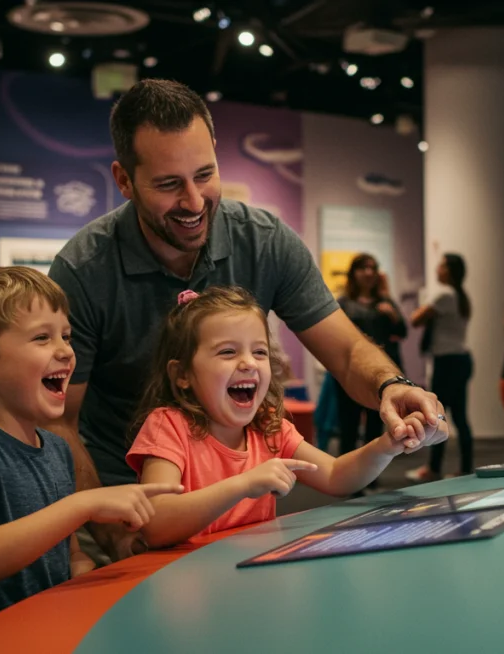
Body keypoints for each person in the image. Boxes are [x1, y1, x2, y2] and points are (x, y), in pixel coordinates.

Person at [46, 79, 444, 564]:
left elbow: (344, 352)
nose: (193, 202)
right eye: (169, 184)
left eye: (204, 174)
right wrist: (106, 531)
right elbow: (61, 421)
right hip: (124, 513)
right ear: (124, 180)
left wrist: (390, 388)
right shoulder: (84, 270)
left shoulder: (265, 241)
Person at [0, 266, 183, 653]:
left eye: (67, 336)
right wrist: (84, 504)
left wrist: (83, 569)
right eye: (42, 338)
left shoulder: (57, 449)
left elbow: (65, 547)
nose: (65, 351)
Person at [124, 286, 446, 548]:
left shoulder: (267, 427)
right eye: (227, 352)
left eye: (259, 351)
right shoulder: (168, 427)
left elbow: (335, 475)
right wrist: (242, 485)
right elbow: (156, 523)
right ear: (182, 374)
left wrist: (385, 445)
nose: (249, 363)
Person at [406, 253, 474, 481]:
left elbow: (416, 319)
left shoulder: (444, 295)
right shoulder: (460, 296)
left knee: (436, 416)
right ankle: (465, 467)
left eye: (442, 265)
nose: (438, 268)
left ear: (450, 270)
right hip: (459, 360)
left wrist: (424, 297)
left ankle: (433, 468)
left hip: (448, 363)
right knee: (460, 417)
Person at [334, 254, 407, 460]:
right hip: (348, 371)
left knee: (375, 425)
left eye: (373, 268)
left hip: (379, 372)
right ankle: (346, 478)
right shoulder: (344, 303)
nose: (368, 273)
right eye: (363, 268)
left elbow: (402, 332)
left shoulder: (385, 301)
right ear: (354, 273)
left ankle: (371, 476)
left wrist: (392, 314)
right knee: (348, 424)